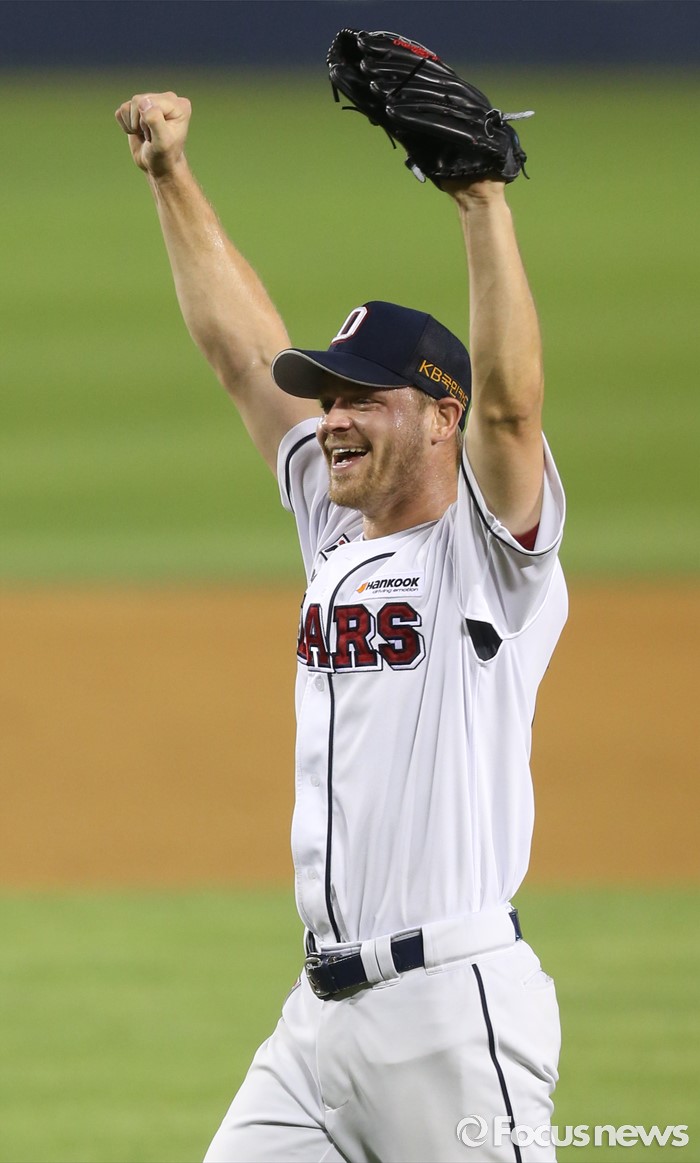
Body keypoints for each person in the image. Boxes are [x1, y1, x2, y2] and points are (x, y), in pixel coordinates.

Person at [116, 89, 567, 1163]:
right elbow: (243, 355)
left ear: (441, 415)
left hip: (451, 1012)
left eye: (363, 397)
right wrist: (170, 177)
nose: (333, 419)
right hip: (315, 1023)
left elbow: (511, 408)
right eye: (328, 397)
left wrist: (481, 203)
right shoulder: (332, 519)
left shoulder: (486, 556)